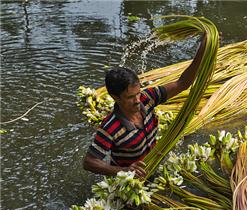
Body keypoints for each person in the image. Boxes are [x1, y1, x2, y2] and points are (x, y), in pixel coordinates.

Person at [83, 34, 207, 179]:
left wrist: (202, 51)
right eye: (130, 97)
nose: (137, 100)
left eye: (137, 93)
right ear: (115, 97)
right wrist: (123, 171)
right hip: (131, 178)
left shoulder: (147, 98)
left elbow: (182, 84)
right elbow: (89, 162)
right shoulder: (110, 127)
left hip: (154, 164)